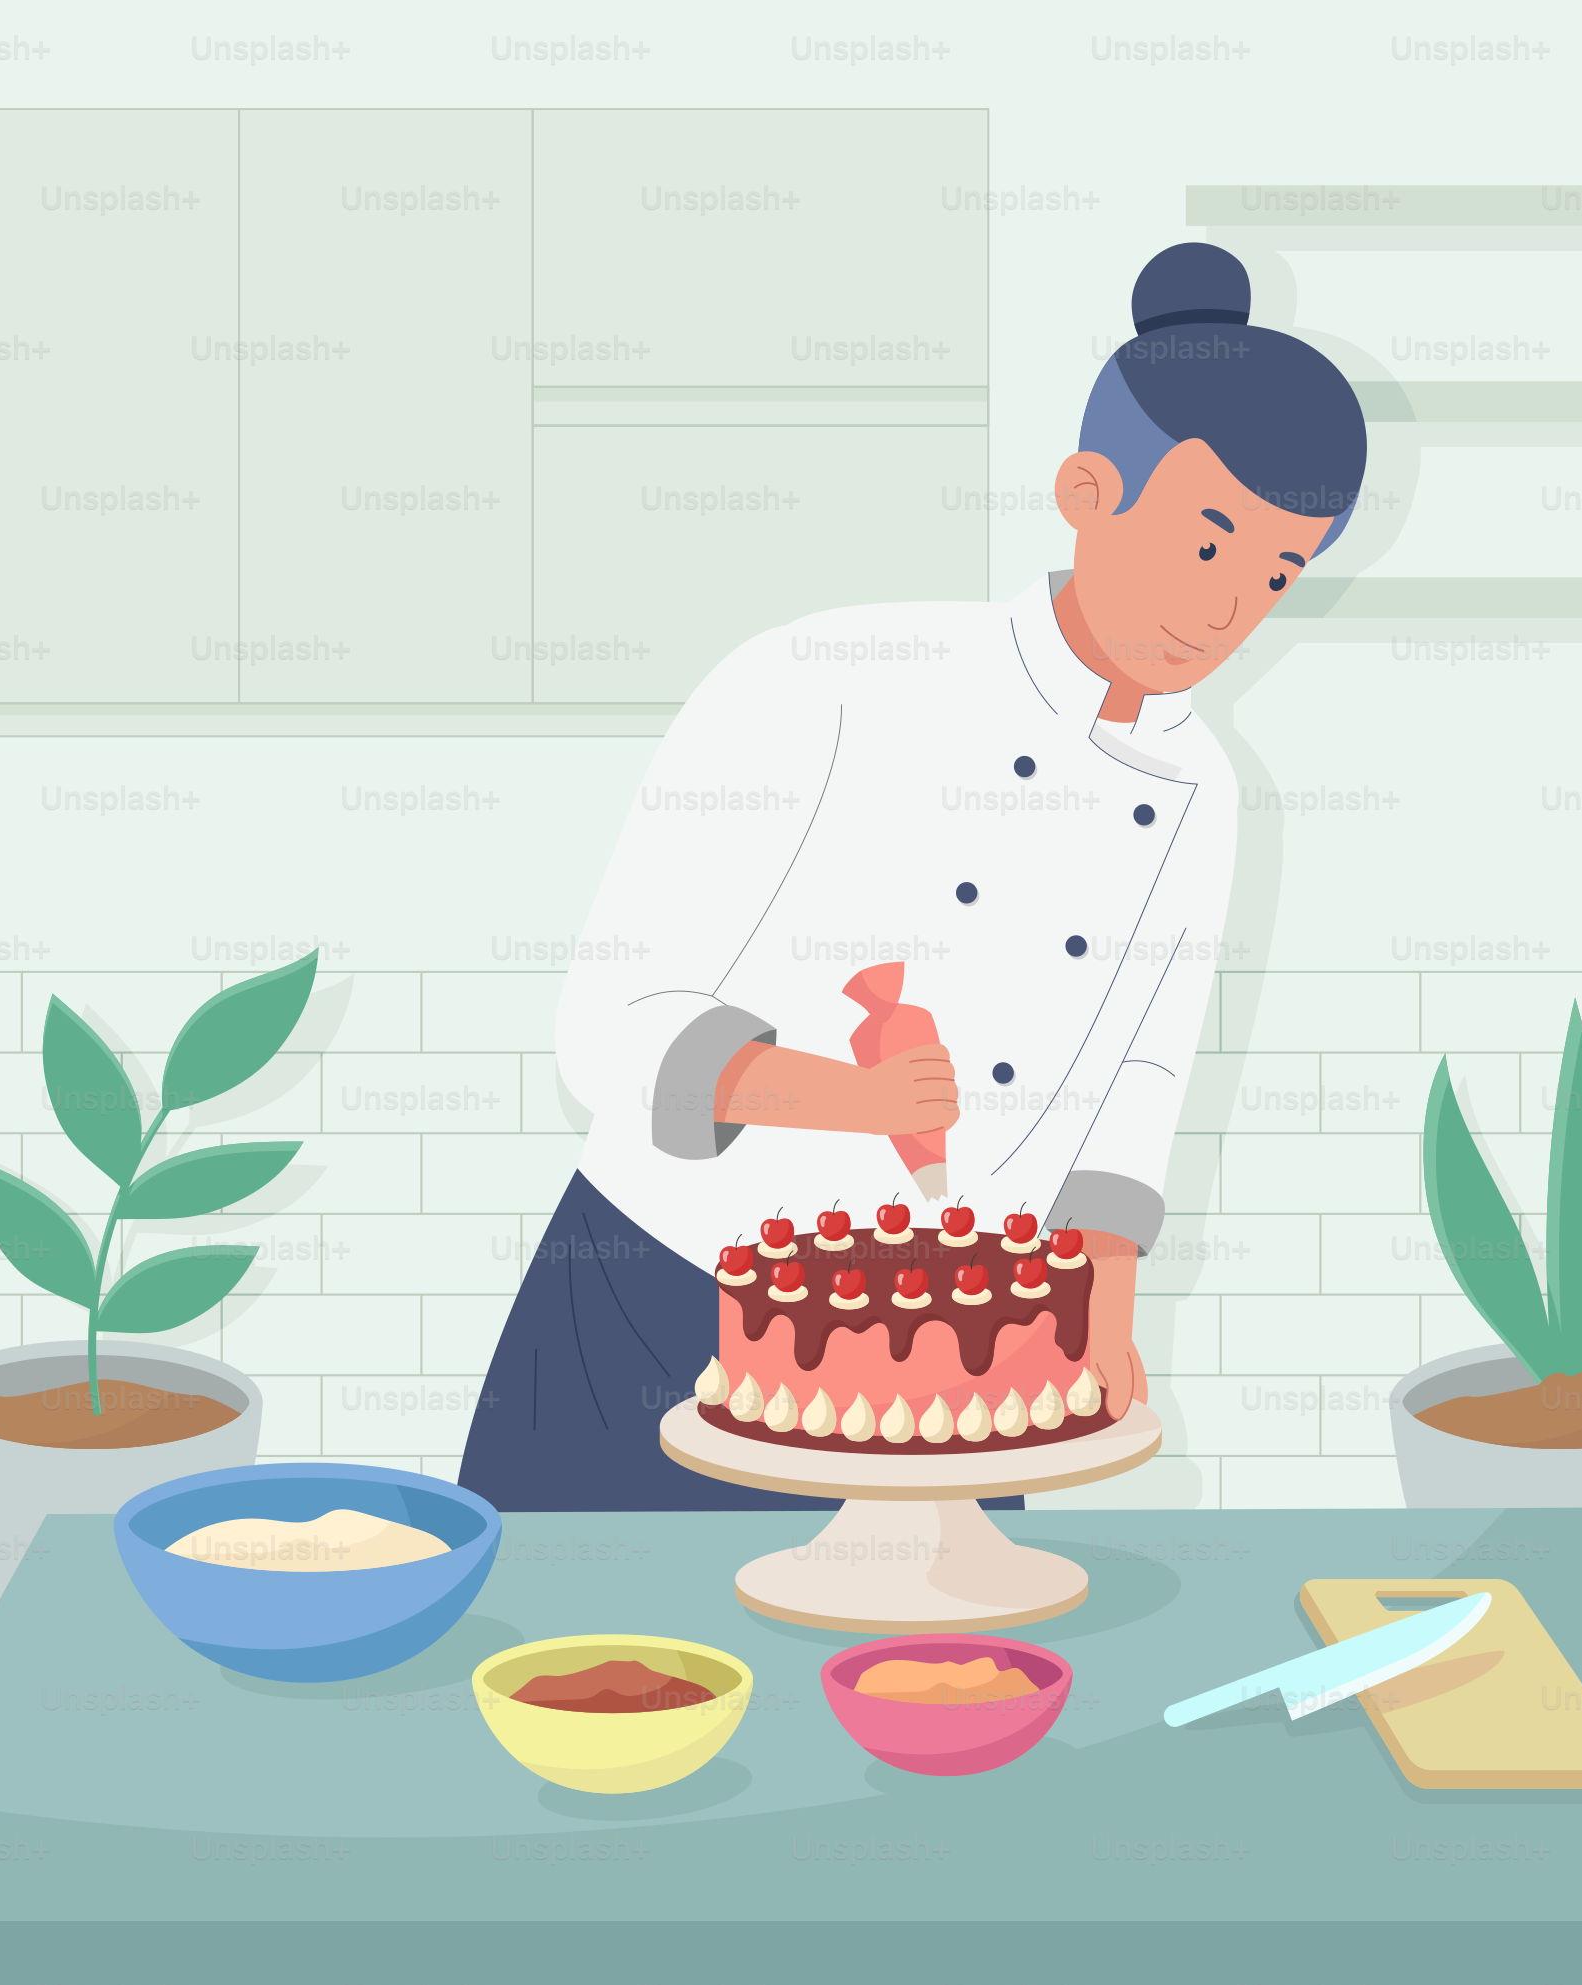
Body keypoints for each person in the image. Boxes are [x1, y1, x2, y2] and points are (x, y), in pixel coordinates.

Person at [459, 241, 1368, 1511]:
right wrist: (850, 1095)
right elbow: (607, 1029)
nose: (1227, 613)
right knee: (577, 1674)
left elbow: (1138, 1084)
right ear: (1087, 489)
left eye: (1276, 576)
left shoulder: (1202, 791)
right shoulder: (824, 678)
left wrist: (1100, 1311)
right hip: (659, 1294)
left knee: (919, 1695)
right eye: (1206, 545)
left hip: (964, 1352)